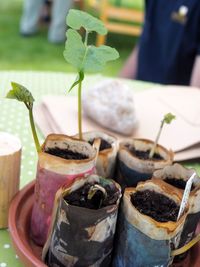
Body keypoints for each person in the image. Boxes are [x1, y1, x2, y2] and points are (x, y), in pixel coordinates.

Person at [120, 1, 200, 87]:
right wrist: (118, 86)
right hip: (144, 93)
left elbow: (195, 92)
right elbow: (144, 44)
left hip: (175, 97)